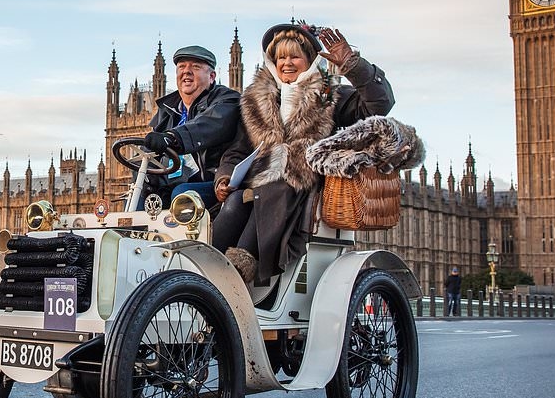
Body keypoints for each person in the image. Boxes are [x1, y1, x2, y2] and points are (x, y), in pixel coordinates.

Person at [211, 22, 395, 284]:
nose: (287, 63)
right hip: (258, 184)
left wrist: (353, 65)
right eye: (281, 57)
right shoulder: (255, 100)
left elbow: (379, 104)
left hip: (304, 186)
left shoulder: (327, 93)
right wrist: (225, 177)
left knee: (273, 191)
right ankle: (206, 262)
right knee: (232, 205)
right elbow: (237, 150)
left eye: (294, 56)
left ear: (309, 60)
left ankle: (241, 268)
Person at [142, 45, 241, 207]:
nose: (187, 71)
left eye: (195, 67)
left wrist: (172, 137)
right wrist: (146, 182)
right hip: (174, 184)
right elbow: (150, 153)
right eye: (182, 66)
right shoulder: (166, 113)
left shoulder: (226, 100)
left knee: (181, 194)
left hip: (214, 183)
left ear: (211, 76)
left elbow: (210, 124)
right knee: (142, 196)